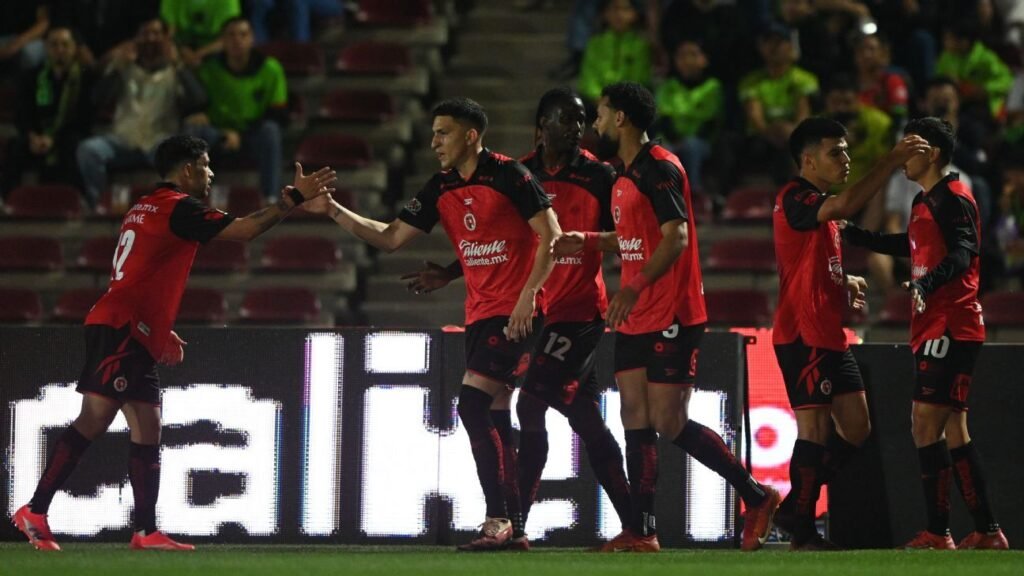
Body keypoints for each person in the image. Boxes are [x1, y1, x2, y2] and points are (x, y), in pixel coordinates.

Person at [10, 134, 337, 551]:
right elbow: (246, 231)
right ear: (187, 170)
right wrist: (291, 199)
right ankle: (35, 511)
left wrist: (159, 326)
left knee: (148, 425)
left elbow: (142, 271)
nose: (211, 172)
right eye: (205, 164)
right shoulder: (180, 208)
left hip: (128, 323)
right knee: (94, 417)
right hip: (123, 328)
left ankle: (145, 531)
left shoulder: (142, 206)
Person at [302, 98, 561, 551]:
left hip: (516, 313)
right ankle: (513, 528)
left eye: (443, 132)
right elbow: (389, 237)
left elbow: (552, 235)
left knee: (472, 405)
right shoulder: (439, 187)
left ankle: (498, 518)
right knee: (495, 416)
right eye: (434, 132)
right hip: (480, 313)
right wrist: (334, 212)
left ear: (471, 136)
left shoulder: (511, 176)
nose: (434, 141)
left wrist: (529, 295)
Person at [400, 88, 633, 549]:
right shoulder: (518, 173)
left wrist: (608, 262)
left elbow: (628, 236)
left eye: (582, 120)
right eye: (566, 119)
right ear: (540, 126)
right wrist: (450, 272)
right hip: (538, 311)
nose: (576, 128)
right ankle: (634, 525)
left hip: (578, 314)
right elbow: (500, 237)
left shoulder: (601, 176)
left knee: (528, 406)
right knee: (581, 415)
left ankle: (512, 522)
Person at [556, 82, 780, 553]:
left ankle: (757, 496)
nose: (594, 123)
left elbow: (675, 237)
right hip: (638, 313)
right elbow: (636, 237)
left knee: (669, 421)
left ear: (620, 118)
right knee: (633, 416)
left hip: (672, 310)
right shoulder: (622, 176)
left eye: (600, 114)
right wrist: (591, 240)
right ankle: (643, 530)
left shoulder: (660, 167)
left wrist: (634, 287)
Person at [842, 117, 1009, 550]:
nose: (902, 160)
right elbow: (913, 245)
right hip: (937, 325)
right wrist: (860, 236)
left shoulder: (954, 197)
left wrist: (927, 283)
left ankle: (940, 531)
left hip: (951, 323)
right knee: (954, 428)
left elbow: (965, 249)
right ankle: (987, 531)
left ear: (931, 153)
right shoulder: (925, 201)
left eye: (908, 150)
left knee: (923, 425)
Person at [771, 117, 928, 550]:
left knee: (856, 428)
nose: (845, 159)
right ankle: (801, 528)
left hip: (829, 333)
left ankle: (790, 508)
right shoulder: (795, 198)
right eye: (835, 152)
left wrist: (845, 281)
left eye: (846, 150)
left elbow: (857, 239)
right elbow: (842, 208)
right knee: (814, 429)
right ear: (809, 159)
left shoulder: (822, 209)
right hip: (802, 332)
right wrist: (891, 160)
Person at [76, 17, 206, 208]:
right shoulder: (123, 66)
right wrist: (118, 69)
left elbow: (198, 100)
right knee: (89, 150)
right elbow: (98, 100)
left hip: (159, 142)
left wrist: (178, 65)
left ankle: (174, 208)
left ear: (165, 39)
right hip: (123, 139)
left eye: (156, 34)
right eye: (145, 34)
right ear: (136, 39)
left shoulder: (175, 69)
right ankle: (99, 203)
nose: (150, 39)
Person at [186, 17, 287, 203]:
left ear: (252, 39)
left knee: (271, 131)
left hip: (254, 134)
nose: (237, 40)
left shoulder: (271, 69)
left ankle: (271, 197)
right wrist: (203, 117)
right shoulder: (209, 70)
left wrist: (241, 133)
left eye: (243, 34)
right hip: (219, 134)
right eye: (230, 35)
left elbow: (277, 113)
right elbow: (197, 106)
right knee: (192, 131)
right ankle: (192, 197)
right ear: (222, 41)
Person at [1, 26, 95, 201]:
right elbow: (22, 113)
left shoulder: (85, 77)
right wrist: (32, 136)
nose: (60, 50)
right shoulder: (32, 76)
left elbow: (83, 118)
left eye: (65, 45)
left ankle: (75, 200)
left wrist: (54, 138)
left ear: (74, 48)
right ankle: (8, 201)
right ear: (46, 47)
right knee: (15, 146)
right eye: (54, 45)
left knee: (72, 145)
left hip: (67, 137)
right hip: (37, 138)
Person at [653, 38, 723, 195]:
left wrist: (686, 141)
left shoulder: (713, 87)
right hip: (671, 139)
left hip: (701, 141)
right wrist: (675, 139)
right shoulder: (668, 86)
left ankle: (693, 191)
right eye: (682, 56)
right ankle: (663, 192)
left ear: (704, 60)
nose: (687, 60)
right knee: (660, 150)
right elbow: (664, 118)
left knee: (692, 147)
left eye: (692, 54)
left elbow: (710, 122)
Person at [577, 0, 651, 104]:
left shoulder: (640, 45)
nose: (619, 14)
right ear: (604, 13)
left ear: (635, 14)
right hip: (597, 103)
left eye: (625, 9)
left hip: (629, 104)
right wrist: (599, 98)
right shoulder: (595, 44)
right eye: (614, 9)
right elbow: (588, 78)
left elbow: (640, 79)